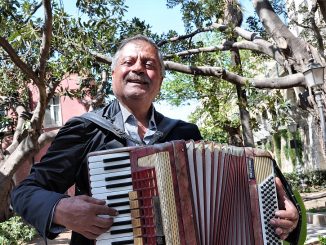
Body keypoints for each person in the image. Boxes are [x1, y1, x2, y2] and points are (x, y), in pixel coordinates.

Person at [11, 35, 301, 244]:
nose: (139, 68)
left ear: (159, 79)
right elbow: (24, 193)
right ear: (113, 75)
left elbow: (237, 191)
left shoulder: (185, 134)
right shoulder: (85, 129)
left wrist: (290, 215)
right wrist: (60, 208)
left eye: (149, 64)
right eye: (129, 62)